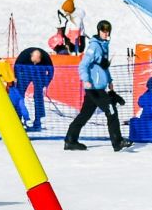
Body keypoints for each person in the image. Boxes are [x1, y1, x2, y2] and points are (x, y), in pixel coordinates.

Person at [65, 19, 130, 152]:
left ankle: (70, 140)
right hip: (94, 88)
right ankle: (117, 142)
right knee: (111, 110)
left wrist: (110, 80)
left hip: (99, 87)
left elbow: (103, 67)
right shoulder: (94, 46)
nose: (106, 33)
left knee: (85, 115)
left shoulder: (104, 45)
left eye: (108, 31)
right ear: (99, 31)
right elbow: (83, 65)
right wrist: (86, 80)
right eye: (103, 31)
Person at [14, 45, 53, 131]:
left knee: (38, 97)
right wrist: (16, 78)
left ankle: (38, 121)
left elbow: (51, 71)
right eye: (33, 61)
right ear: (31, 56)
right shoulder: (24, 56)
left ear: (40, 58)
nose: (35, 63)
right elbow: (16, 67)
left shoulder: (45, 57)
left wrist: (45, 84)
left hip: (39, 73)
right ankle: (18, 119)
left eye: (37, 61)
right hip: (25, 73)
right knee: (19, 96)